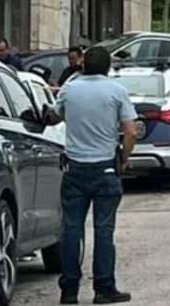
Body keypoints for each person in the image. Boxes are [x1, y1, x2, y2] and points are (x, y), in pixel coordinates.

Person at [41, 46, 136, 305]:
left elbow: (54, 117)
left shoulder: (70, 89)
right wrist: (124, 159)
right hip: (105, 168)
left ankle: (69, 291)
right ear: (107, 67)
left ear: (82, 65)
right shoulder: (116, 91)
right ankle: (104, 288)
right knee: (104, 231)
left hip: (74, 169)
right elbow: (130, 131)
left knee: (71, 230)